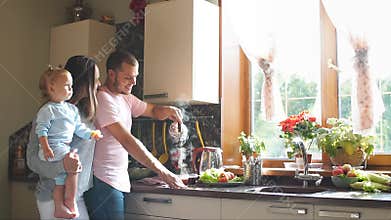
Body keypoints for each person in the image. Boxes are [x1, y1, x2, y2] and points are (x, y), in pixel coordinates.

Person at [84, 50, 186, 220]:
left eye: (135, 76)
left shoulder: (125, 98)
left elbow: (152, 110)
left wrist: (169, 110)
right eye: (128, 77)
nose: (134, 82)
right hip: (103, 181)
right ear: (111, 74)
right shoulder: (103, 99)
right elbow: (127, 141)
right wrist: (164, 172)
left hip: (117, 181)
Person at [27, 55, 101, 220]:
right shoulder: (49, 113)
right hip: (53, 197)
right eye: (95, 80)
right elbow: (32, 160)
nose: (99, 84)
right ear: (83, 82)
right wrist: (62, 165)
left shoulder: (82, 113)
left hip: (76, 196)